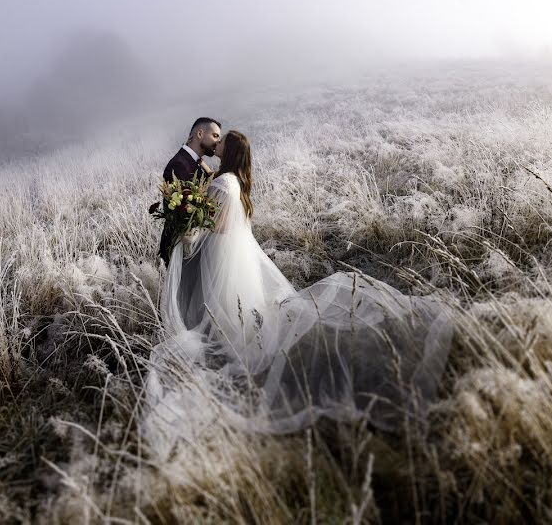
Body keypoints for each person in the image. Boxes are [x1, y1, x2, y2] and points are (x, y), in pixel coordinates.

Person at [142, 129, 454, 459]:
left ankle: (230, 348)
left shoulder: (223, 183)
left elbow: (218, 227)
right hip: (236, 254)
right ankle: (236, 338)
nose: (215, 144)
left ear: (228, 150)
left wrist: (193, 221)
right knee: (235, 301)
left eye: (221, 141)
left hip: (222, 252)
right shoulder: (235, 182)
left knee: (221, 299)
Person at [153, 117, 221, 267]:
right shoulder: (179, 164)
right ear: (200, 134)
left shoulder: (196, 161)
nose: (218, 141)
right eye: (215, 136)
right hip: (181, 246)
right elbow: (177, 210)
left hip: (194, 244)